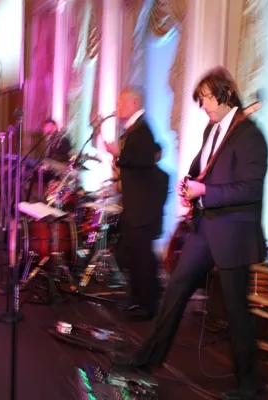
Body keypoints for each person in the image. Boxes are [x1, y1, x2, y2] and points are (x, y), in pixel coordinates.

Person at [113, 68, 268, 400]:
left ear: (227, 94)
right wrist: (190, 184)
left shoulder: (251, 135)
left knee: (237, 313)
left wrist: (206, 191)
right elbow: (201, 169)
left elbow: (251, 189)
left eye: (208, 98)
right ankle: (144, 362)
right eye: (201, 100)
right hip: (205, 228)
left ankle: (249, 387)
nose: (204, 106)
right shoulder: (212, 129)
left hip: (234, 234)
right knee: (174, 292)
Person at [104, 87, 169, 321]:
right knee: (134, 256)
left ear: (134, 102)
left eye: (121, 102)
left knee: (142, 257)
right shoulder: (134, 129)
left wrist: (119, 154)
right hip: (135, 206)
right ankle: (137, 299)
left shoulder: (142, 129)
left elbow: (143, 159)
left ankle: (147, 305)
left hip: (142, 208)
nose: (118, 107)